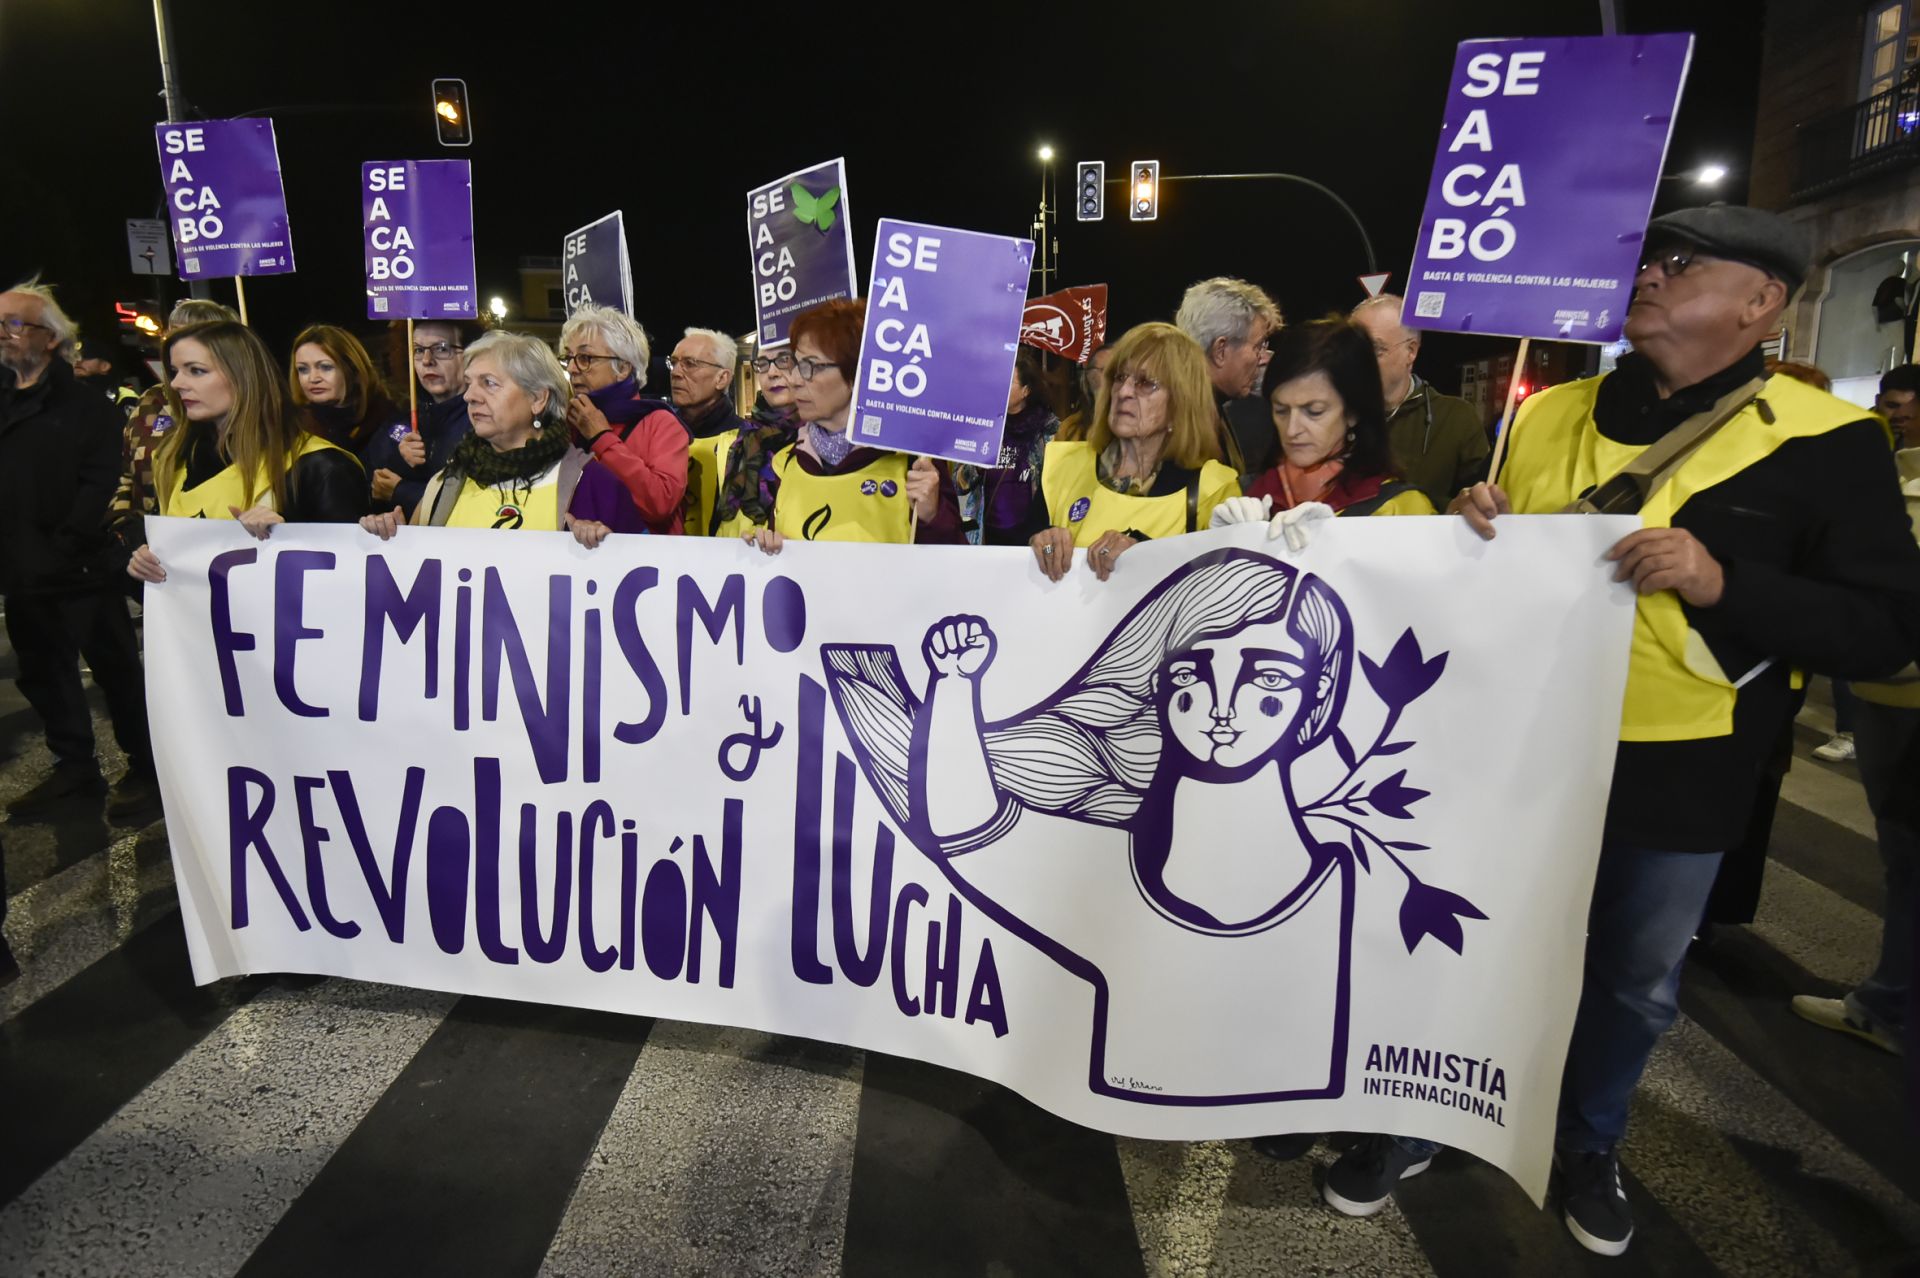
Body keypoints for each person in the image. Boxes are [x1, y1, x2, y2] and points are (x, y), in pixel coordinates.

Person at [1446, 205, 1920, 1256]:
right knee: (1486, 944)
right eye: (1648, 258)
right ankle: (1453, 1111)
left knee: (1631, 978)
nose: (1649, 275)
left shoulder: (1831, 442)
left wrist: (1722, 580)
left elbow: (1886, 631)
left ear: (1762, 305)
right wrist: (1470, 520)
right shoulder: (1545, 415)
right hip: (1513, 753)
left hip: (1685, 769)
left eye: (1682, 263)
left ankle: (1588, 1139)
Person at [0, 279, 157, 821]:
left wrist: (66, 544)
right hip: (20, 572)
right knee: (43, 674)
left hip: (82, 568)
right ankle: (75, 770)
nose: (2, 333)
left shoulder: (87, 406)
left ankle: (146, 768)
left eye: (13, 323)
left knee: (115, 674)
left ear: (50, 338)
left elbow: (101, 485)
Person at [1790, 427, 1920, 1057]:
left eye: (1901, 406)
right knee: (1903, 855)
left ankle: (1889, 1003)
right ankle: (1889, 997)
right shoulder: (1891, 474)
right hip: (1884, 690)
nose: (1896, 417)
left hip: (1900, 687)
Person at [126, 321, 369, 585]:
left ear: (242, 375)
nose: (176, 383)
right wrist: (143, 565)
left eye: (196, 371)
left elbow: (352, 584)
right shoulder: (174, 458)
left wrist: (287, 538)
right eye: (175, 371)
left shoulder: (321, 467)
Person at [360, 330, 627, 545]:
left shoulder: (592, 483)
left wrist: (601, 548)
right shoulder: (446, 481)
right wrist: (392, 537)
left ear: (537, 398)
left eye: (489, 383)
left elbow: (633, 575)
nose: (470, 396)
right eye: (469, 383)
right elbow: (417, 572)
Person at [1025, 321, 1240, 583]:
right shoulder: (1061, 465)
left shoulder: (1214, 488)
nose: (1123, 392)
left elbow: (1217, 590)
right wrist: (1039, 541)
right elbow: (1016, 566)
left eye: (1146, 383)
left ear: (1179, 404)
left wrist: (1145, 555)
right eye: (1119, 377)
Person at [744, 298, 960, 552]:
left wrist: (933, 516)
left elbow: (952, 570)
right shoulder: (786, 463)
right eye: (796, 364)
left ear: (858, 372)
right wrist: (769, 549)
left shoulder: (913, 463)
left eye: (810, 366)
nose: (794, 379)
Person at [1237, 317, 1436, 520]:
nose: (1292, 430)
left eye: (1314, 411)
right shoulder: (1243, 496)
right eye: (1281, 410)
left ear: (1352, 412)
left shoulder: (1399, 509)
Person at [1349, 294, 1490, 510]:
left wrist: (1452, 510)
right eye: (1352, 350)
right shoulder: (1330, 417)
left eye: (1375, 349)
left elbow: (1476, 503)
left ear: (1411, 351)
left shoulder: (1456, 419)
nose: (1359, 361)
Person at [557, 305, 687, 535]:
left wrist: (601, 437)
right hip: (578, 564)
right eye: (569, 357)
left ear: (624, 368)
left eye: (585, 358)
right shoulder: (566, 423)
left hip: (642, 565)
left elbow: (660, 503)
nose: (572, 368)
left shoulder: (660, 423)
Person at [110, 299, 236, 530]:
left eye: (185, 333)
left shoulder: (228, 417)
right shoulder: (150, 400)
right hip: (149, 544)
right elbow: (126, 474)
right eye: (171, 333)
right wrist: (122, 530)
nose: (171, 342)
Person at [358, 320, 475, 516]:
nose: (427, 360)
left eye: (442, 348)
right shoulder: (397, 424)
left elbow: (479, 505)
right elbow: (365, 486)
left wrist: (402, 491)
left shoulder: (484, 422)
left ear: (471, 354)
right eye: (418, 350)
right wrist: (398, 461)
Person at [953, 349, 1060, 545]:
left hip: (1032, 539)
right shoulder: (982, 427)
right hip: (987, 537)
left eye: (1008, 382)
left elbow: (1059, 487)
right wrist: (976, 464)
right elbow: (958, 485)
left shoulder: (1048, 431)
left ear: (1026, 391)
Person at [1175, 276, 1281, 474]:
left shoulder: (1200, 406)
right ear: (1220, 351)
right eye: (1258, 346)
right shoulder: (1179, 425)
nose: (1262, 358)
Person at [287, 325, 405, 480]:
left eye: (325, 367)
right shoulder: (293, 428)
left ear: (354, 370)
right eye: (303, 369)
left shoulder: (390, 421)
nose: (313, 378)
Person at [709, 344, 801, 538]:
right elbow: (719, 524)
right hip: (737, 563)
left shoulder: (819, 444)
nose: (772, 373)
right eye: (763, 363)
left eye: (784, 360)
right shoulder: (734, 442)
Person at [671, 327, 750, 537]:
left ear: (722, 378)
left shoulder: (749, 442)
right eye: (674, 362)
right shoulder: (658, 436)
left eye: (690, 364)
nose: (676, 372)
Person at [1057, 342, 1113, 442]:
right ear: (1089, 376)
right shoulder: (1069, 430)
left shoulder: (1134, 426)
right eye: (1107, 370)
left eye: (1120, 373)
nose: (1113, 377)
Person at [1876, 362, 1920, 448]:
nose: (1899, 415)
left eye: (1911, 409)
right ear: (1877, 401)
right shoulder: (1854, 434)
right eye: (1892, 406)